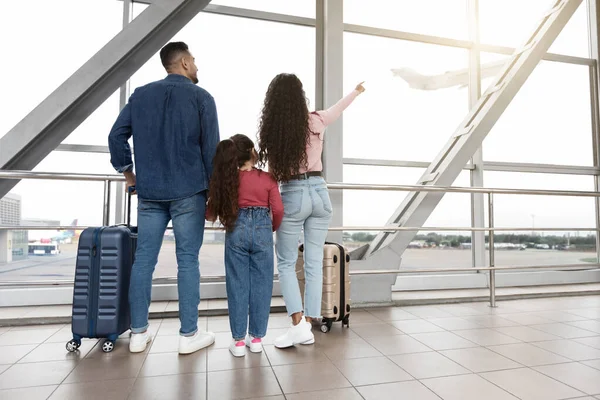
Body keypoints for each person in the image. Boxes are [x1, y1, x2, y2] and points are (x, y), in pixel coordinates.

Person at [108, 41, 220, 354]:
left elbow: (116, 136)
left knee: (144, 260)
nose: (197, 66)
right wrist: (215, 195)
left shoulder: (141, 95)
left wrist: (129, 174)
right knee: (187, 261)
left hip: (150, 191)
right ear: (184, 62)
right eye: (194, 60)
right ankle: (188, 336)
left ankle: (139, 334)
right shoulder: (202, 97)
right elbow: (212, 152)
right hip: (190, 192)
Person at [257, 73, 365, 348]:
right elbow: (338, 109)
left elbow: (271, 175)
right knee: (314, 261)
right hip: (319, 191)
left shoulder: (274, 132)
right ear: (299, 95)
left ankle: (297, 324)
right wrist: (356, 91)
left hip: (293, 194)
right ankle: (310, 321)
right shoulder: (316, 119)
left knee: (286, 262)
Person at [206, 134, 283, 357]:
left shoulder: (227, 180)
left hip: (235, 230)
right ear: (251, 151)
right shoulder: (267, 178)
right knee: (262, 284)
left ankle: (238, 342)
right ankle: (256, 339)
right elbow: (278, 210)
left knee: (237, 285)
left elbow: (209, 214)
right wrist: (270, 229)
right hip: (262, 231)